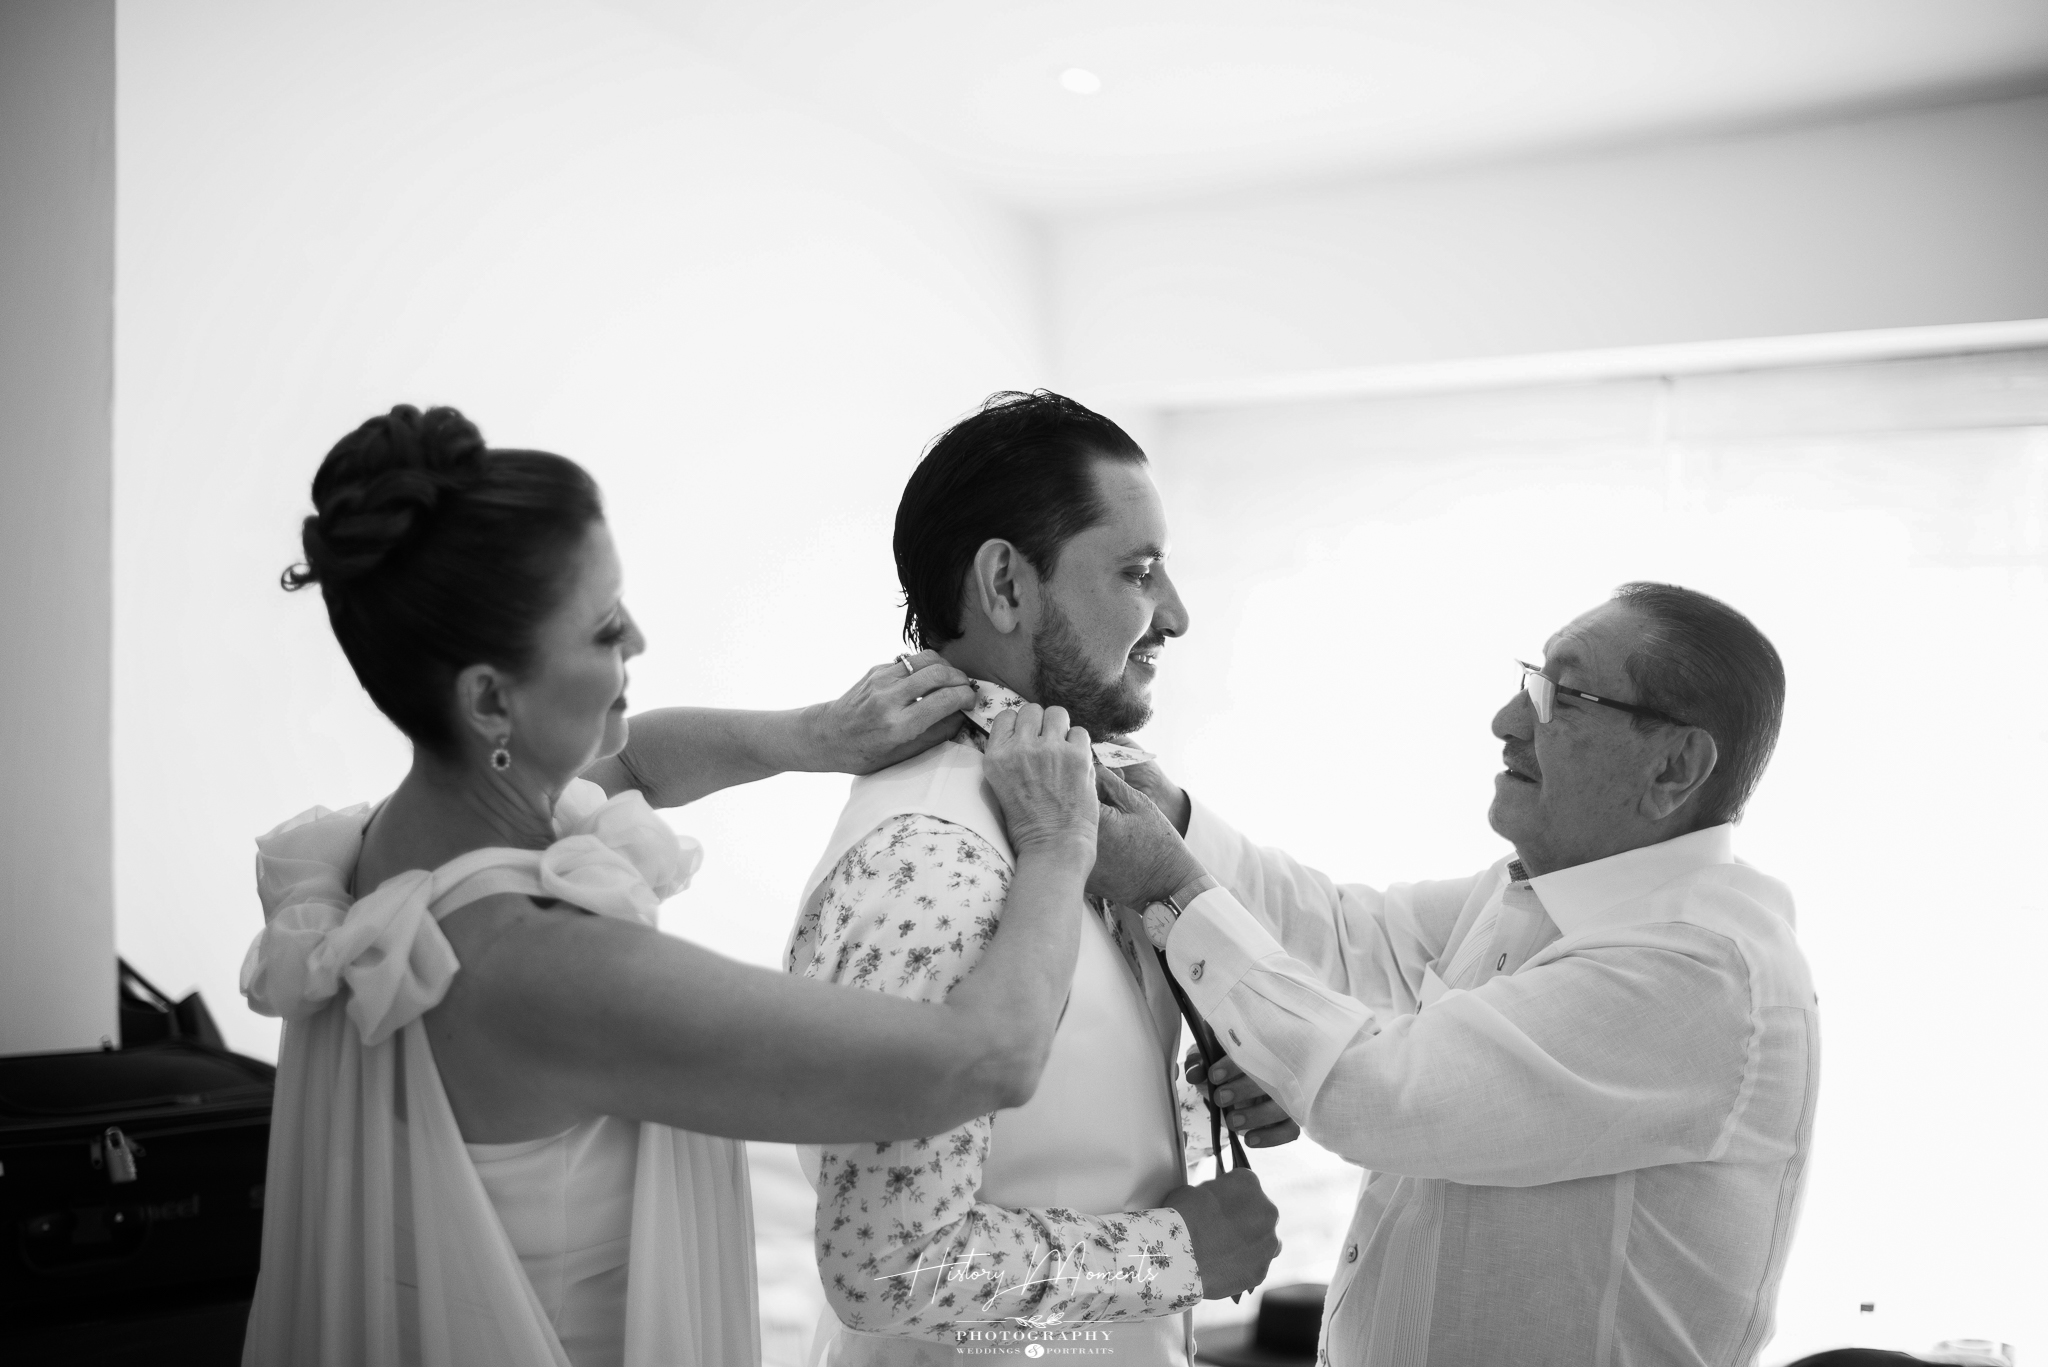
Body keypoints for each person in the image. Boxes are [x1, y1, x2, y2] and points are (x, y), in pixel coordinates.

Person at [240, 405, 1104, 1367]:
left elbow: (635, 764)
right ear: (488, 698)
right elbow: (985, 1059)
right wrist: (1058, 839)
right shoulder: (545, 969)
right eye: (604, 627)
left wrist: (816, 735)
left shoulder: (388, 853)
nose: (638, 640)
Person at [1090, 583, 1820, 1367]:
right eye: (1532, 681)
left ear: (1675, 765)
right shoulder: (1533, 891)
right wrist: (1169, 813)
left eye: (1563, 698)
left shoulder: (1701, 970)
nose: (1508, 722)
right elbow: (1344, 934)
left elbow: (1379, 1092)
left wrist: (1169, 884)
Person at [784, 391, 1281, 1367]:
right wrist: (1179, 1252)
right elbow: (886, 1265)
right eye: (1138, 572)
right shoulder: (930, 850)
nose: (1176, 615)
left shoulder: (1092, 800)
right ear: (1006, 585)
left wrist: (1225, 1085)